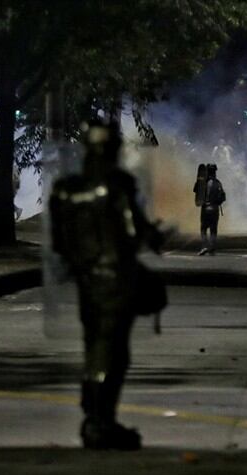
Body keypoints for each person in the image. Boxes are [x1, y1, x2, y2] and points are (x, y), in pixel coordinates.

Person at [49, 118, 165, 451]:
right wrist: (155, 236)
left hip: (86, 280)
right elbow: (133, 230)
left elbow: (59, 242)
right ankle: (101, 422)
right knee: (113, 352)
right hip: (117, 278)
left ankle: (94, 417)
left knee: (93, 347)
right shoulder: (117, 184)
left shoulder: (65, 189)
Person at [193, 163, 226, 255]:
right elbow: (223, 197)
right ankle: (212, 249)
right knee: (213, 230)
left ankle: (204, 246)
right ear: (215, 172)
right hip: (215, 209)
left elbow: (196, 190)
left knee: (203, 229)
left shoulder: (203, 183)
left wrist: (200, 180)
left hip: (205, 209)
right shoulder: (218, 183)